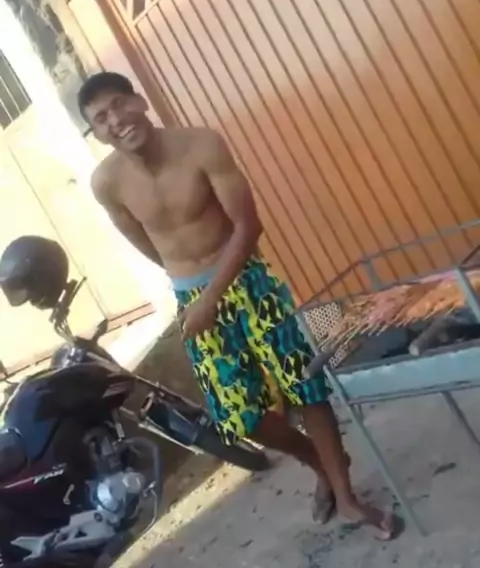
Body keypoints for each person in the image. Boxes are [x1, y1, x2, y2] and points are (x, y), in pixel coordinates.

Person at [78, 71, 400, 540]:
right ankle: (321, 462)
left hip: (249, 281)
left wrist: (212, 295)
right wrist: (192, 288)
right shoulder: (107, 183)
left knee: (304, 385)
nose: (116, 120)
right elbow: (144, 241)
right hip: (194, 298)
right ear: (97, 132)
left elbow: (248, 226)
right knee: (239, 415)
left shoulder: (201, 145)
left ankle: (347, 497)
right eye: (101, 118)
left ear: (139, 102)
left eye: (119, 104)